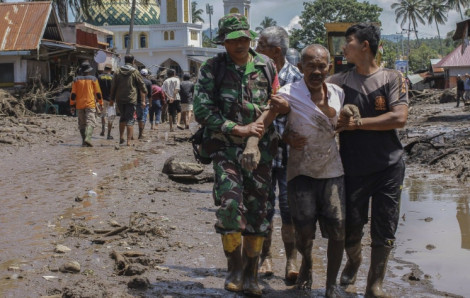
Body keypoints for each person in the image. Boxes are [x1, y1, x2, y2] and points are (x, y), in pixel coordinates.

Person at [193, 13, 286, 297]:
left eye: (244, 38)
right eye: (233, 40)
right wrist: (240, 129)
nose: (240, 44)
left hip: (261, 151)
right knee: (230, 206)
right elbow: (202, 111)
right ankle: (234, 269)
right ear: (223, 42)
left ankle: (251, 273)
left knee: (260, 212)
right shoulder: (212, 68)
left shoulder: (266, 65)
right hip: (225, 148)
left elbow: (276, 102)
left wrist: (255, 133)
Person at [327, 23, 408, 297]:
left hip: (389, 166)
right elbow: (319, 107)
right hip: (352, 167)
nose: (343, 48)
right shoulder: (338, 82)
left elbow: (399, 118)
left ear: (364, 45)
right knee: (351, 226)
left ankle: (375, 284)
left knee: (385, 225)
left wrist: (356, 125)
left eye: (348, 42)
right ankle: (354, 259)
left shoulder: (392, 78)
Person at [279, 44, 345, 296]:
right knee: (304, 231)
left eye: (321, 66)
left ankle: (331, 285)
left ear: (328, 67)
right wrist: (286, 137)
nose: (316, 71)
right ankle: (306, 263)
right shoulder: (288, 92)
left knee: (338, 227)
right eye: (311, 66)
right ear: (300, 68)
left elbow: (342, 124)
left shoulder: (338, 92)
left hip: (332, 170)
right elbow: (272, 119)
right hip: (301, 172)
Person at [255, 26, 303, 282]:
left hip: (287, 155)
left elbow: (300, 115)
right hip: (262, 153)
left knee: (288, 209)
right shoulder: (255, 74)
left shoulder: (295, 76)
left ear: (275, 51)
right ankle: (266, 256)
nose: (256, 48)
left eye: (261, 45)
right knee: (263, 208)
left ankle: (292, 260)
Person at [109, 54, 147, 146]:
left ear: (125, 61)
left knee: (122, 117)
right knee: (130, 119)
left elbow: (113, 86)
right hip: (131, 98)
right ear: (133, 61)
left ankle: (121, 137)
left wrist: (112, 99)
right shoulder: (135, 71)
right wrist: (144, 90)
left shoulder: (117, 71)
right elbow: (141, 83)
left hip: (119, 99)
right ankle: (129, 141)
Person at [70, 61, 103, 147]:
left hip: (79, 105)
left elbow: (73, 95)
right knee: (90, 122)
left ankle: (84, 142)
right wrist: (101, 103)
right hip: (90, 104)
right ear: (89, 71)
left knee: (82, 123)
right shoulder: (93, 79)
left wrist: (72, 105)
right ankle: (88, 138)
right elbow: (98, 93)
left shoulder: (76, 80)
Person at [98, 63, 115, 139]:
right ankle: (109, 134)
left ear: (104, 69)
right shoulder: (113, 77)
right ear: (110, 70)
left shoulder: (99, 77)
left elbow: (97, 89)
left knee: (103, 115)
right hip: (111, 100)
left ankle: (103, 131)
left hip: (102, 99)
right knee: (110, 117)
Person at [138, 68, 152, 139]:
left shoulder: (136, 81)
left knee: (137, 117)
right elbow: (150, 94)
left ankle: (136, 134)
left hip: (136, 101)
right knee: (143, 117)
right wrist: (150, 102)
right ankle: (141, 133)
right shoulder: (148, 82)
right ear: (146, 75)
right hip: (145, 102)